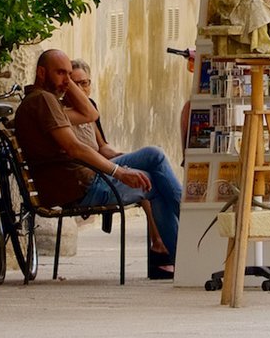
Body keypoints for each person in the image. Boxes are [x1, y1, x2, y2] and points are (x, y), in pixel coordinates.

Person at [12, 49, 182, 278]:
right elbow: (74, 147)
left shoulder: (45, 101)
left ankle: (186, 239)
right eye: (60, 73)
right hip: (83, 185)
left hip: (85, 179)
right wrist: (119, 172)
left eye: (69, 74)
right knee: (155, 185)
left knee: (154, 154)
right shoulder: (44, 101)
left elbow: (90, 113)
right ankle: (187, 247)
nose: (67, 80)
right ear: (41, 73)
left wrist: (66, 83)